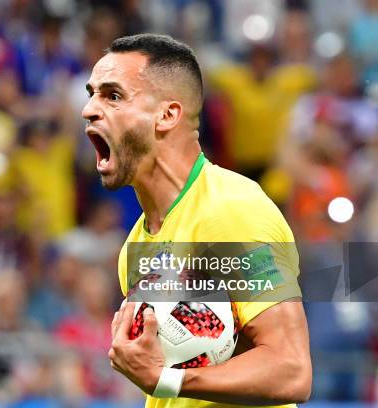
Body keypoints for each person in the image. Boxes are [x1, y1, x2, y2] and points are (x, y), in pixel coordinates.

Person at [82, 33, 311, 407]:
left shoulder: (233, 210)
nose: (89, 109)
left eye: (113, 95)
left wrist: (165, 380)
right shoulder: (136, 246)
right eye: (91, 93)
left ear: (167, 115)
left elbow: (291, 369)